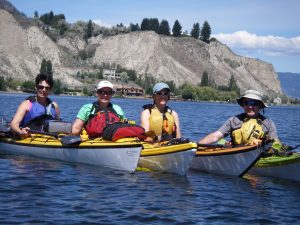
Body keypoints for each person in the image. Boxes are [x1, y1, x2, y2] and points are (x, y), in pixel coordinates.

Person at [198, 90, 278, 146]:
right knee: (222, 142)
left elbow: (275, 143)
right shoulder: (234, 120)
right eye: (246, 103)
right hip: (236, 155)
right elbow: (216, 136)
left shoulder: (268, 124)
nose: (250, 106)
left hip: (259, 155)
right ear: (243, 105)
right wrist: (196, 146)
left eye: (254, 103)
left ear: (260, 106)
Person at [10, 73, 60, 138]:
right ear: (36, 87)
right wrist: (21, 132)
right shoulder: (26, 104)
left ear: (50, 90)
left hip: (49, 139)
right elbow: (14, 124)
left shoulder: (54, 106)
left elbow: (59, 125)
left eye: (47, 88)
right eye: (41, 87)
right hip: (29, 138)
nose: (44, 90)